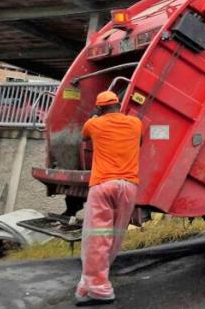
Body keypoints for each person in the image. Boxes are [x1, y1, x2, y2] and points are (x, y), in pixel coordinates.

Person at [75, 91, 142, 306]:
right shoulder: (135, 123)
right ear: (118, 105)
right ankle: (96, 279)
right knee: (115, 236)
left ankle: (99, 288)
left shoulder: (94, 124)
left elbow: (84, 137)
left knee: (97, 237)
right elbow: (139, 141)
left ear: (99, 108)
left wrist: (95, 117)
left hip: (103, 185)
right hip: (129, 187)